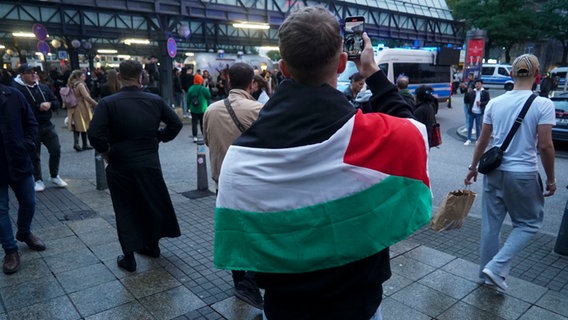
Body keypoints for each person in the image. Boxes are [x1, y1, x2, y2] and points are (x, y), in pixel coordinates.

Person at [213, 7, 431, 320]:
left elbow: (245, 249)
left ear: (284, 68)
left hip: (285, 307)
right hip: (359, 304)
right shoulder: (367, 136)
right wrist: (372, 72)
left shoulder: (241, 157)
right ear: (342, 63)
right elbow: (415, 134)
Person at [464, 54, 556, 292]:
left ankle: (486, 276)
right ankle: (496, 268)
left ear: (512, 74)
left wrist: (473, 168)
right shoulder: (543, 104)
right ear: (537, 76)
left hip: (493, 172)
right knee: (529, 223)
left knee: (490, 226)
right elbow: (545, 146)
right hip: (523, 173)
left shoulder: (495, 102)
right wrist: (551, 179)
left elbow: (482, 141)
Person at [88, 60, 183, 272]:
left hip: (120, 163)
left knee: (125, 208)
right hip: (149, 162)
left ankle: (129, 257)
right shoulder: (154, 100)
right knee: (151, 202)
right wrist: (159, 137)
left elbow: (94, 134)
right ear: (141, 76)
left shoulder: (108, 103)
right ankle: (153, 246)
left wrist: (106, 151)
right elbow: (175, 124)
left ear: (119, 77)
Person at [203, 62, 264, 309]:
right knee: (257, 231)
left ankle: (240, 282)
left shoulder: (211, 110)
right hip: (253, 183)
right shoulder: (258, 109)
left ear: (228, 82)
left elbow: (208, 142)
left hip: (223, 182)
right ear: (252, 83)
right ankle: (253, 280)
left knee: (232, 231)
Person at [0, 78, 46, 275]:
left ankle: (24, 231)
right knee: (0, 210)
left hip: (19, 159)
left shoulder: (13, 95)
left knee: (29, 201)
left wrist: (26, 144)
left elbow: (31, 122)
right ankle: (10, 250)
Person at [12, 63, 67, 192]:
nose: (33, 74)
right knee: (34, 154)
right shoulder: (17, 90)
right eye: (30, 72)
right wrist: (38, 107)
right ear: (22, 74)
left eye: (35, 72)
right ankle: (38, 179)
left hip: (47, 125)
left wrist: (50, 104)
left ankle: (54, 175)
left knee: (56, 150)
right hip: (30, 127)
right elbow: (18, 109)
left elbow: (56, 102)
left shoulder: (43, 87)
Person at [67, 70, 97, 152]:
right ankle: (83, 144)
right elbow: (86, 97)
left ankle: (77, 143)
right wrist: (96, 104)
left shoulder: (71, 84)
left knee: (77, 125)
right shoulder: (80, 85)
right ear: (79, 77)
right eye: (83, 75)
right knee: (84, 124)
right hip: (81, 106)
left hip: (73, 106)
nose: (84, 77)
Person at [463, 79, 490, 146]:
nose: (477, 85)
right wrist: (467, 93)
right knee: (470, 126)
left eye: (479, 84)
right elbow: (466, 101)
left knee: (478, 127)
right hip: (471, 112)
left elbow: (488, 101)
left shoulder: (485, 92)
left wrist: (481, 103)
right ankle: (468, 139)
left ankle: (478, 140)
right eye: (476, 84)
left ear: (481, 84)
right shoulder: (472, 92)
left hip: (479, 112)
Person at [186, 74, 211, 142]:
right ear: (201, 80)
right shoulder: (203, 89)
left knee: (194, 123)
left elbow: (188, 99)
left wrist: (188, 107)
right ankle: (204, 136)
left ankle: (195, 137)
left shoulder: (191, 88)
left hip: (193, 109)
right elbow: (209, 96)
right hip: (202, 109)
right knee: (203, 123)